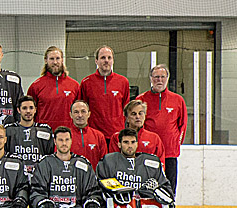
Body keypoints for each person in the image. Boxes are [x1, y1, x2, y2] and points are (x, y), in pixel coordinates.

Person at [137, 65, 187, 193]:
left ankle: (170, 204)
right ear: (150, 78)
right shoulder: (141, 100)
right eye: (156, 77)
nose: (159, 80)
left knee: (169, 187)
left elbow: (182, 125)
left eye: (162, 77)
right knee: (146, 186)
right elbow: (136, 125)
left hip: (169, 152)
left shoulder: (178, 100)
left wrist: (175, 144)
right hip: (148, 152)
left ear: (167, 78)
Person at [78, 45, 130, 138]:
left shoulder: (123, 82)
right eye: (103, 58)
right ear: (96, 61)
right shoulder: (86, 83)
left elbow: (125, 109)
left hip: (116, 134)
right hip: (94, 135)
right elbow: (83, 110)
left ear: (113, 61)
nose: (106, 60)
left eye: (109, 58)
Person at [27, 46, 79, 129]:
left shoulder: (74, 85)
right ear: (46, 60)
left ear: (62, 60)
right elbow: (29, 112)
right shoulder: (36, 86)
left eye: (57, 58)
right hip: (43, 133)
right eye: (51, 59)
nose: (55, 62)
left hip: (67, 133)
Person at [5, 95, 54, 179]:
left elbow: (50, 156)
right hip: (16, 177)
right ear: (18, 110)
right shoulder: (9, 130)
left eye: (31, 108)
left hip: (39, 177)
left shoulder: (46, 130)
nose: (28, 111)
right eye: (24, 108)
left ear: (35, 109)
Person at [67, 99, 107, 168]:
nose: (80, 115)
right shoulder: (64, 136)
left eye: (83, 111)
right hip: (71, 174)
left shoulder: (99, 136)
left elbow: (104, 162)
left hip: (93, 174)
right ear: (71, 115)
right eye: (76, 112)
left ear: (89, 114)